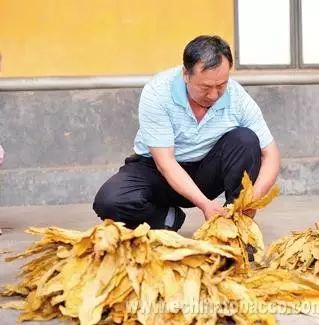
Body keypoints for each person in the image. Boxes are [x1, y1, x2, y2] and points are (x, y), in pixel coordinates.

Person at [93, 35, 281, 230]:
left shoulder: (237, 96)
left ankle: (236, 226)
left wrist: (250, 200)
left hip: (206, 171)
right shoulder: (158, 92)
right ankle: (167, 218)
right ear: (186, 74)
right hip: (159, 171)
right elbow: (165, 162)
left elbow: (271, 154)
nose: (214, 95)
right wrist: (205, 205)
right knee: (109, 202)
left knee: (246, 139)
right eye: (206, 87)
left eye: (221, 85)